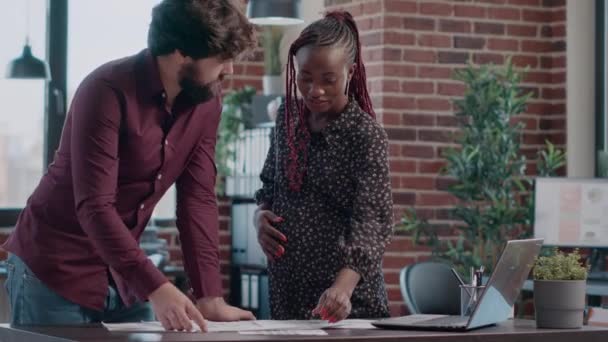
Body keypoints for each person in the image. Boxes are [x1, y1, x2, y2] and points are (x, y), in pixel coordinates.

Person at [2, 0, 256, 332]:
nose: (230, 70)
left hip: (122, 276)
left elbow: (198, 199)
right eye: (222, 60)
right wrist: (156, 287)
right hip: (54, 270)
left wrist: (210, 296)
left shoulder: (206, 101)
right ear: (182, 53)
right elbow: (94, 207)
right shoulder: (106, 90)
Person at [253, 10, 394, 321]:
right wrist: (260, 216)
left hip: (348, 303)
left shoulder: (366, 136)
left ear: (350, 72)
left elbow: (372, 224)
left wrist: (342, 289)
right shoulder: (286, 119)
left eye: (328, 80)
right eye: (305, 77)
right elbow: (270, 186)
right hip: (287, 294)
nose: (315, 90)